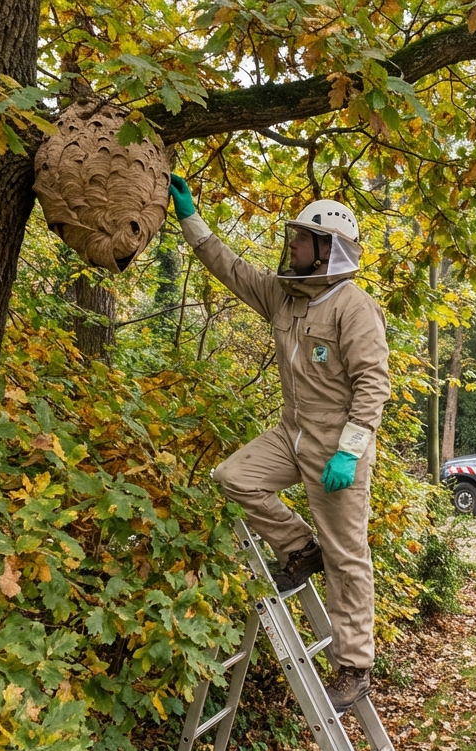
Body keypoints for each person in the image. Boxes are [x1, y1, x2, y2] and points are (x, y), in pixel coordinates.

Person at [167, 176, 391, 713]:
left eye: (301, 238)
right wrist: (190, 219)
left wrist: (350, 449)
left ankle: (354, 667)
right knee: (233, 478)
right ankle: (298, 546)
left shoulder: (354, 307)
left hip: (337, 447)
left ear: (326, 249)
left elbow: (373, 384)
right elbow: (231, 269)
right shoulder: (283, 295)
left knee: (346, 557)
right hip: (292, 433)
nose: (292, 245)